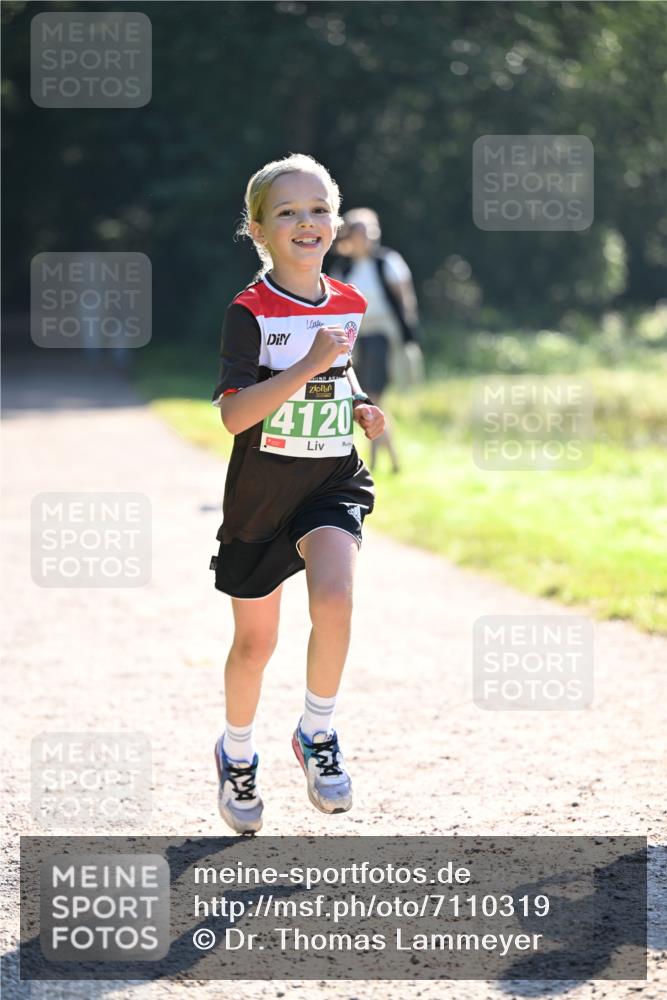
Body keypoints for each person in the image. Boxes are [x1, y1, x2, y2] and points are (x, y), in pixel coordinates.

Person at [209, 154, 385, 834]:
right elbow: (233, 415)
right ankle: (237, 750)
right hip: (260, 496)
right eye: (287, 212)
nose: (305, 222)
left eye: (317, 209)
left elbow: (341, 377)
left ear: (334, 223)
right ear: (257, 230)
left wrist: (364, 407)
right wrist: (306, 365)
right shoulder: (248, 312)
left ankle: (316, 731)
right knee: (255, 645)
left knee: (336, 597)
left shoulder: (349, 301)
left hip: (329, 480)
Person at [329, 209, 420, 474]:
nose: (366, 238)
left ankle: (375, 462)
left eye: (369, 232)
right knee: (366, 400)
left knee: (371, 398)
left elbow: (406, 302)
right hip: (353, 341)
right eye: (360, 232)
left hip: (382, 336)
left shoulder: (388, 262)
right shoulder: (342, 268)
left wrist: (408, 338)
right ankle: (392, 463)